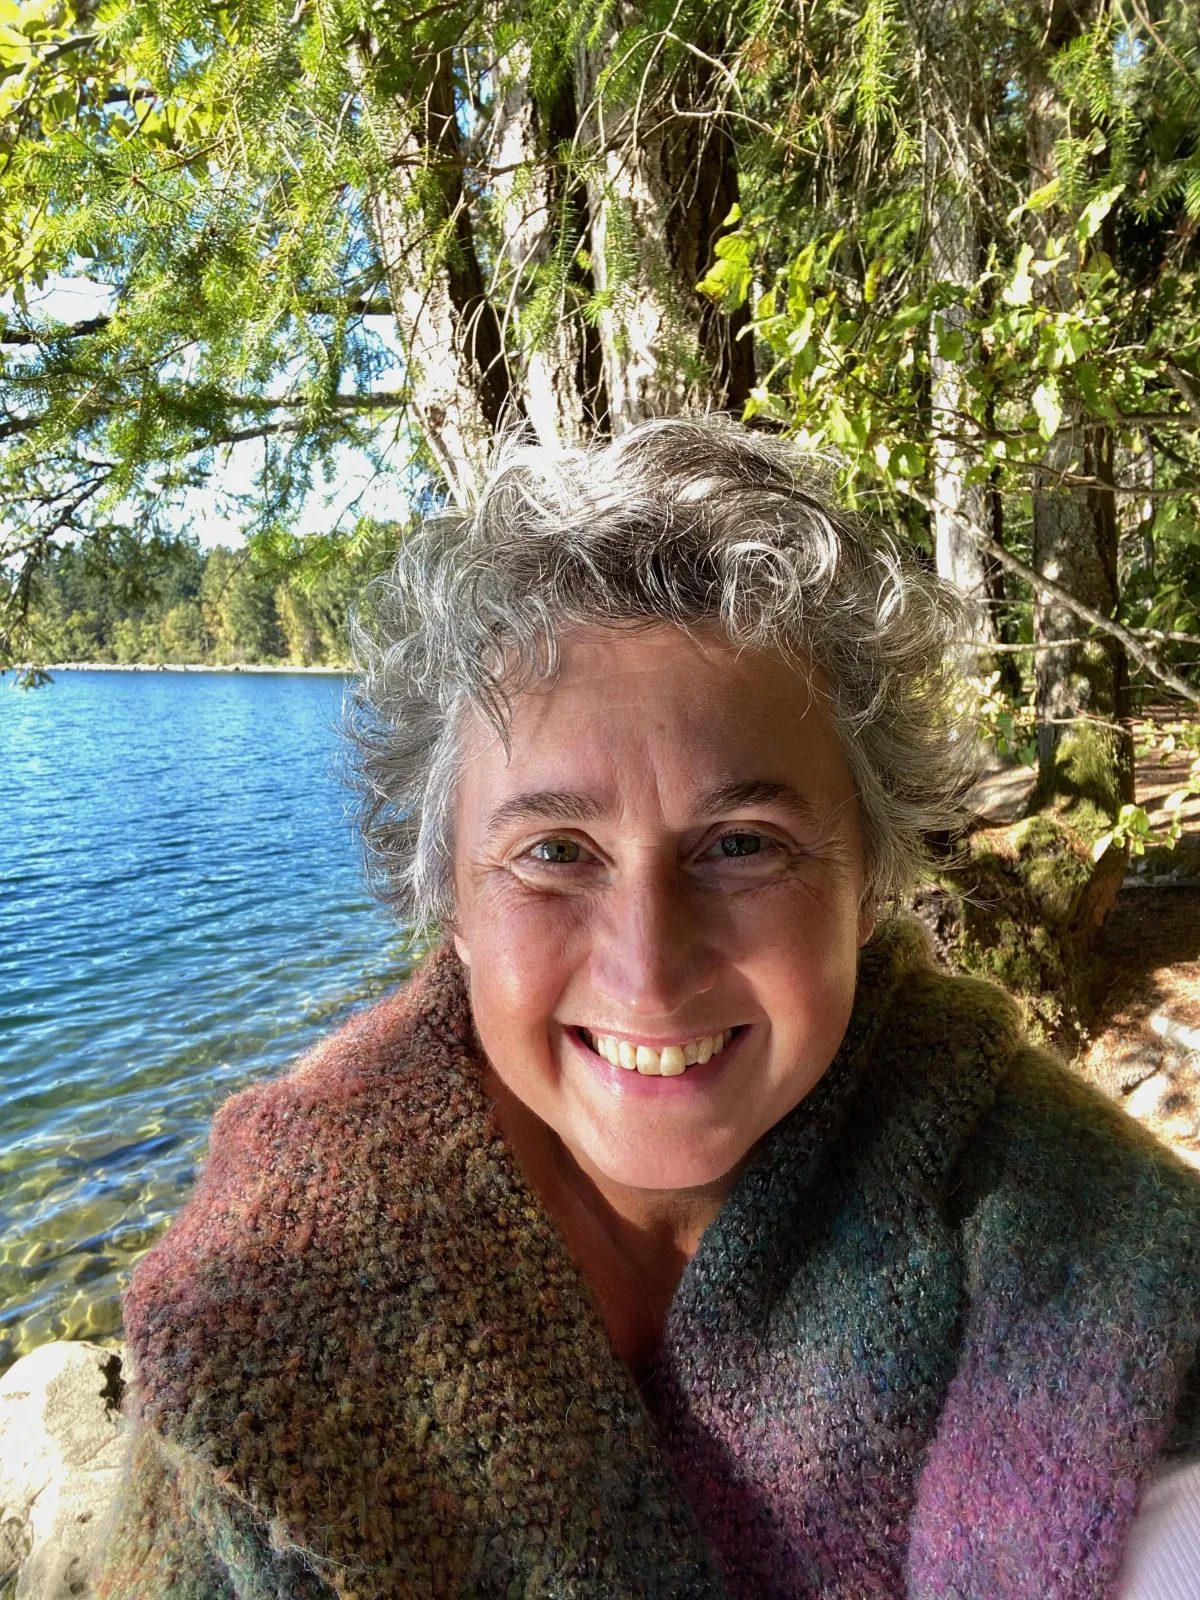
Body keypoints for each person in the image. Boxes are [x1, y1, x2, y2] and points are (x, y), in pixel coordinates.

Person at [97, 418, 1200, 1598]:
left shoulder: (1082, 1231)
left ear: (869, 885)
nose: (650, 970)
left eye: (741, 844)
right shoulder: (267, 1309)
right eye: (556, 850)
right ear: (452, 903)